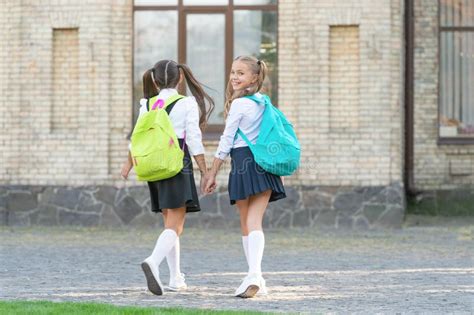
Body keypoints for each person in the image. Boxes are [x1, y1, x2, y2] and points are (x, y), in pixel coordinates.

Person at [121, 59, 214, 296]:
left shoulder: (148, 103)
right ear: (180, 78)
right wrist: (205, 171)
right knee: (176, 225)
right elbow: (193, 138)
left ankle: (176, 278)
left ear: (154, 79)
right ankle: (153, 260)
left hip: (154, 166)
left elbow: (138, 137)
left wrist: (128, 164)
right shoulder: (186, 103)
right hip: (176, 164)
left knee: (168, 223)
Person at [204, 56, 286, 298]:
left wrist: (212, 172)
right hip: (265, 165)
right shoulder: (264, 103)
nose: (234, 77)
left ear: (254, 78)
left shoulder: (240, 105)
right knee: (252, 221)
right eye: (232, 72)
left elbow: (226, 140)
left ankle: (253, 275)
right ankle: (257, 277)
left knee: (249, 222)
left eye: (240, 73)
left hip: (243, 164)